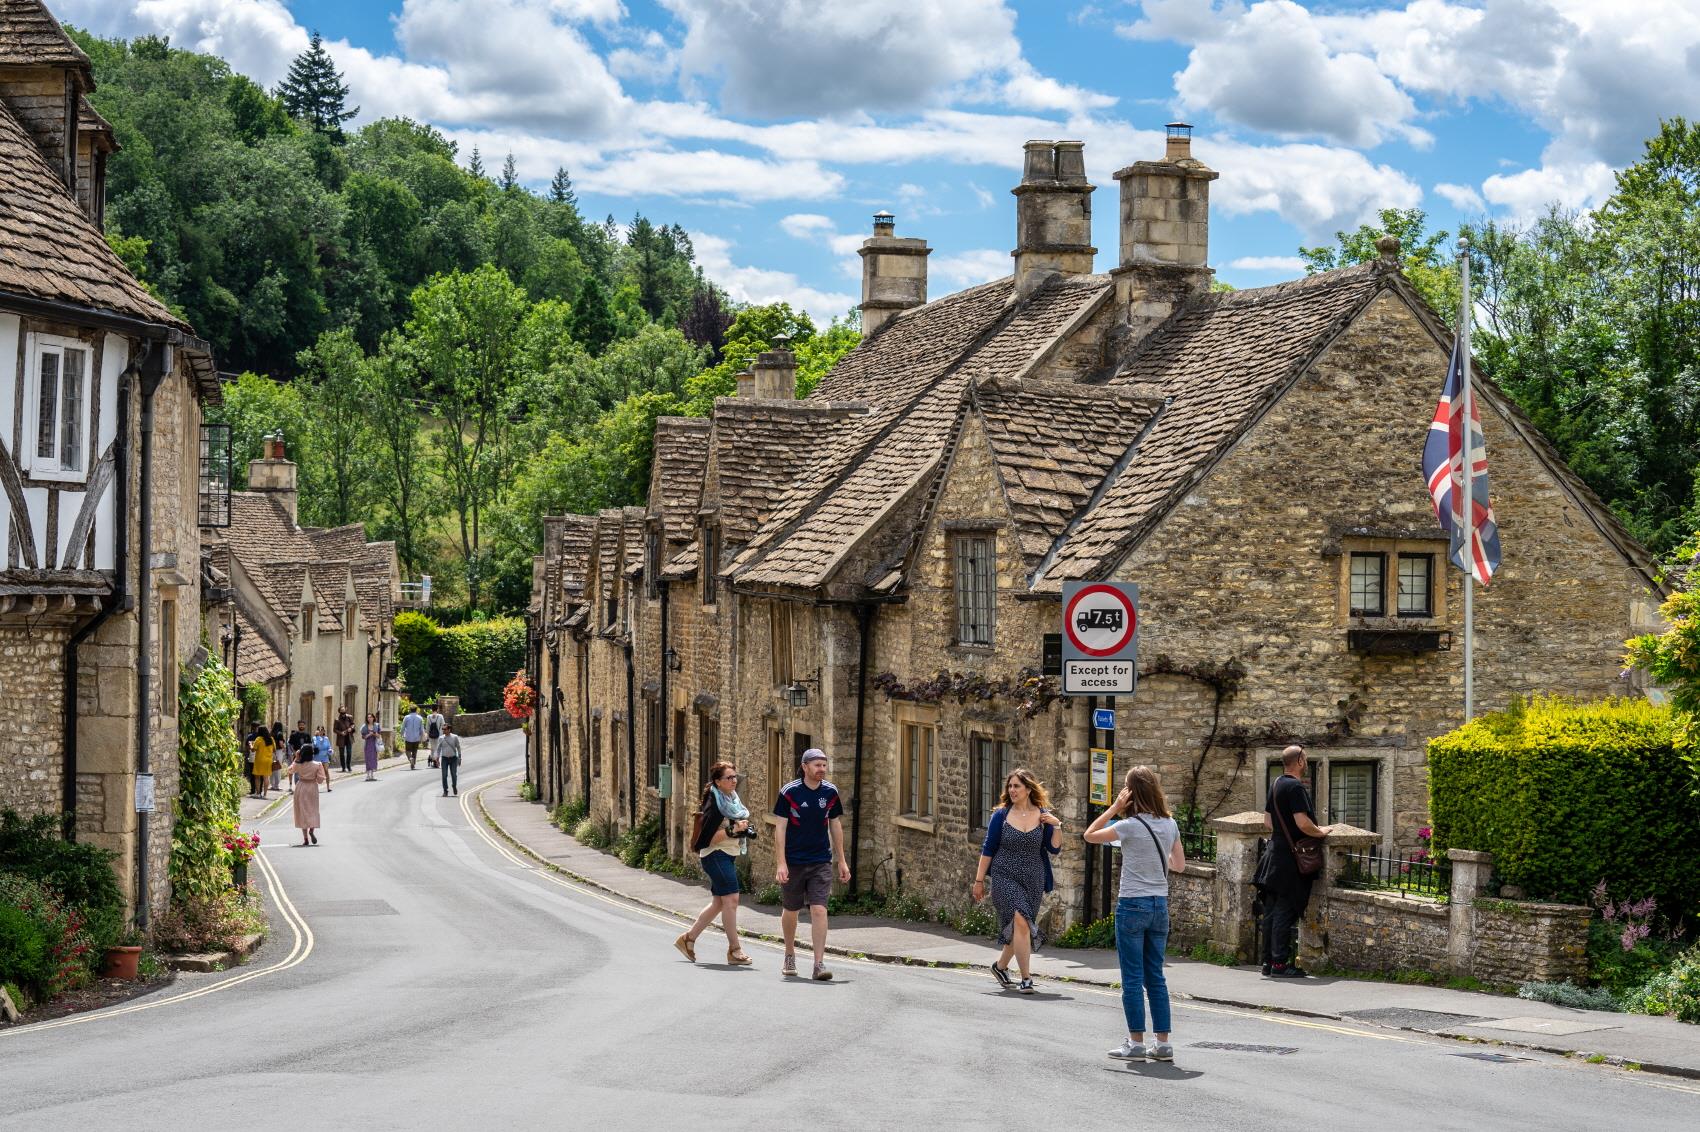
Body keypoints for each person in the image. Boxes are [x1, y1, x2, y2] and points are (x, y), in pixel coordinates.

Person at [1086, 765, 1186, 1063]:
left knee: (1132, 977)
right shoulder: (1170, 825)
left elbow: (1089, 835)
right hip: (1159, 905)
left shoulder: (1127, 826)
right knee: (1155, 976)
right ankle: (1164, 1044)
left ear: (1130, 794)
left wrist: (1114, 808)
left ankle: (1135, 1042)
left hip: (1132, 905)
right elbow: (1178, 865)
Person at [972, 768, 1062, 994]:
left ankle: (1000, 967)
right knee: (1020, 920)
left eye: (1017, 786)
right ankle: (1026, 979)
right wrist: (979, 880)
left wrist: (1057, 825)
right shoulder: (1001, 816)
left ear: (1029, 789)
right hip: (1004, 875)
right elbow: (988, 849)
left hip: (1033, 878)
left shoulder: (1043, 816)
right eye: (1010, 786)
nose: (1012, 790)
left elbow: (1054, 848)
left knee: (1020, 927)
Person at [772, 748, 849, 980]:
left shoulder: (831, 792)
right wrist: (781, 863)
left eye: (824, 765)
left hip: (820, 860)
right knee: (791, 910)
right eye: (817, 765)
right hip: (794, 860)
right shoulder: (789, 792)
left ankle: (818, 964)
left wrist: (842, 860)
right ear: (805, 767)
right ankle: (789, 954)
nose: (821, 770)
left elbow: (835, 825)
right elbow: (780, 828)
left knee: (819, 909)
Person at [1261, 744, 1334, 979]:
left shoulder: (1276, 785)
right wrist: (1321, 832)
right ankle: (1280, 965)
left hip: (1273, 855)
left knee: (1271, 911)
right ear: (1300, 761)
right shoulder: (1295, 787)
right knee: (1286, 909)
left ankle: (1268, 962)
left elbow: (1267, 822)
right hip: (1290, 861)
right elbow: (1303, 823)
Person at [675, 761, 754, 967]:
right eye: (729, 777)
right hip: (715, 854)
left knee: (719, 902)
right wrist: (731, 831)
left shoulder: (732, 799)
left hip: (728, 853)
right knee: (732, 900)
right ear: (718, 782)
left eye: (735, 776)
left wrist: (741, 829)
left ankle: (688, 939)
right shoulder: (714, 805)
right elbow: (705, 840)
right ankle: (734, 950)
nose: (734, 780)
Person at [289, 746, 327, 846]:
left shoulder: (298, 764)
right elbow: (320, 780)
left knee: (302, 812)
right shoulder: (317, 765)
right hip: (312, 788)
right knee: (312, 810)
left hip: (301, 787)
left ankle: (305, 838)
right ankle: (312, 830)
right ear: (312, 753)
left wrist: (296, 758)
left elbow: (290, 770)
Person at [437, 719, 463, 796]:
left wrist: (459, 757)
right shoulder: (441, 738)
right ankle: (445, 791)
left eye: (445, 729)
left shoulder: (455, 737)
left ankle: (454, 786)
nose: (443, 731)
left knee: (453, 774)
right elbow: (438, 749)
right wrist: (437, 758)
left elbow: (458, 747)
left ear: (449, 729)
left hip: (453, 759)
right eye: (442, 729)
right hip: (444, 758)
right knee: (444, 775)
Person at [249, 727, 275, 798]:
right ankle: (265, 795)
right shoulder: (271, 739)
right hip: (268, 760)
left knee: (257, 777)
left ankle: (258, 793)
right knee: (266, 777)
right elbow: (274, 750)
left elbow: (253, 750)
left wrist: (250, 744)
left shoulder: (258, 739)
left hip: (259, 760)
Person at [400, 706, 425, 770]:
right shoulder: (420, 718)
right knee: (415, 751)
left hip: (408, 737)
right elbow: (422, 729)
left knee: (407, 751)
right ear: (416, 710)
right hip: (416, 737)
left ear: (410, 710)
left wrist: (401, 734)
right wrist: (422, 737)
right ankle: (413, 764)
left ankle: (410, 759)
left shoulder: (406, 717)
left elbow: (403, 727)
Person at [312, 725, 334, 792]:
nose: (321, 731)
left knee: (326, 771)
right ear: (317, 731)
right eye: (319, 730)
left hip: (325, 757)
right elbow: (314, 746)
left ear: (324, 731)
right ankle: (315, 788)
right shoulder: (314, 738)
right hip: (317, 757)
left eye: (322, 730)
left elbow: (329, 747)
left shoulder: (326, 738)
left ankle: (328, 787)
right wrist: (317, 737)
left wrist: (330, 750)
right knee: (315, 773)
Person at [334, 707, 355, 774]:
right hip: (341, 738)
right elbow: (334, 729)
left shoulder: (350, 717)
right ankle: (343, 767)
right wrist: (341, 733)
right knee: (342, 754)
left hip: (349, 738)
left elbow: (353, 724)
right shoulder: (337, 719)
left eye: (344, 710)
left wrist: (351, 728)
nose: (343, 711)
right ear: (339, 711)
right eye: (341, 711)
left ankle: (348, 766)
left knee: (349, 753)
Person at [360, 713, 381, 781]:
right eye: (368, 717)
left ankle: (372, 775)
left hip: (374, 745)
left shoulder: (377, 725)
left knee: (373, 759)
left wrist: (374, 734)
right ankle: (368, 775)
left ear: (373, 718)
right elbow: (363, 737)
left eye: (370, 717)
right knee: (368, 759)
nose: (369, 718)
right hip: (367, 745)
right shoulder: (364, 726)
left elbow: (379, 736)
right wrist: (369, 734)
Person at [268, 722, 287, 793]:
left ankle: (272, 785)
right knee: (278, 767)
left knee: (272, 768)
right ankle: (277, 785)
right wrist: (284, 748)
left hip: (271, 751)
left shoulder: (271, 733)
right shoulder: (280, 734)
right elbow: (281, 743)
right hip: (278, 751)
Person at [426, 703, 446, 769]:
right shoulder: (440, 716)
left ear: (431, 709)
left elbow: (427, 727)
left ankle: (432, 758)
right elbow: (443, 725)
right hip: (439, 735)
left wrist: (428, 735)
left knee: (432, 748)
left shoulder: (428, 717)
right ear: (437, 709)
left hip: (431, 735)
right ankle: (435, 760)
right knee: (437, 748)